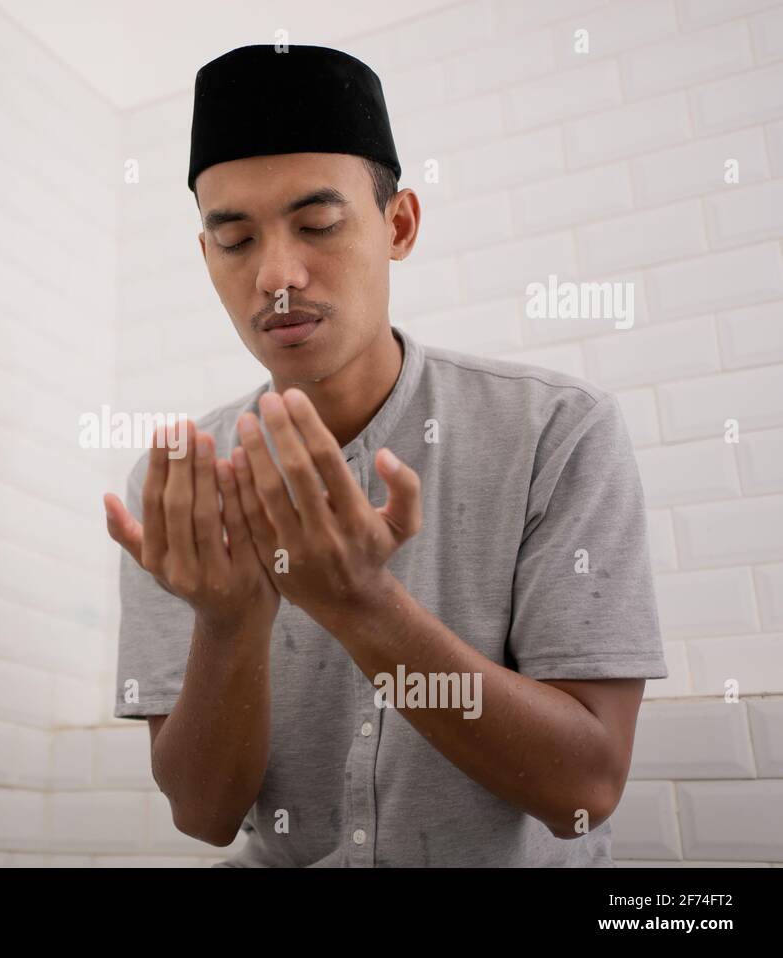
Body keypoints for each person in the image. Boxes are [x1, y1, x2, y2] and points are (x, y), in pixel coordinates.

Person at [103, 44, 668, 867]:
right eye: (234, 239)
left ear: (397, 225)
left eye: (318, 225)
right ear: (206, 258)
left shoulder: (556, 431)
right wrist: (229, 625)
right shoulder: (183, 484)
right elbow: (204, 814)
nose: (278, 276)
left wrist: (364, 608)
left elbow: (584, 791)